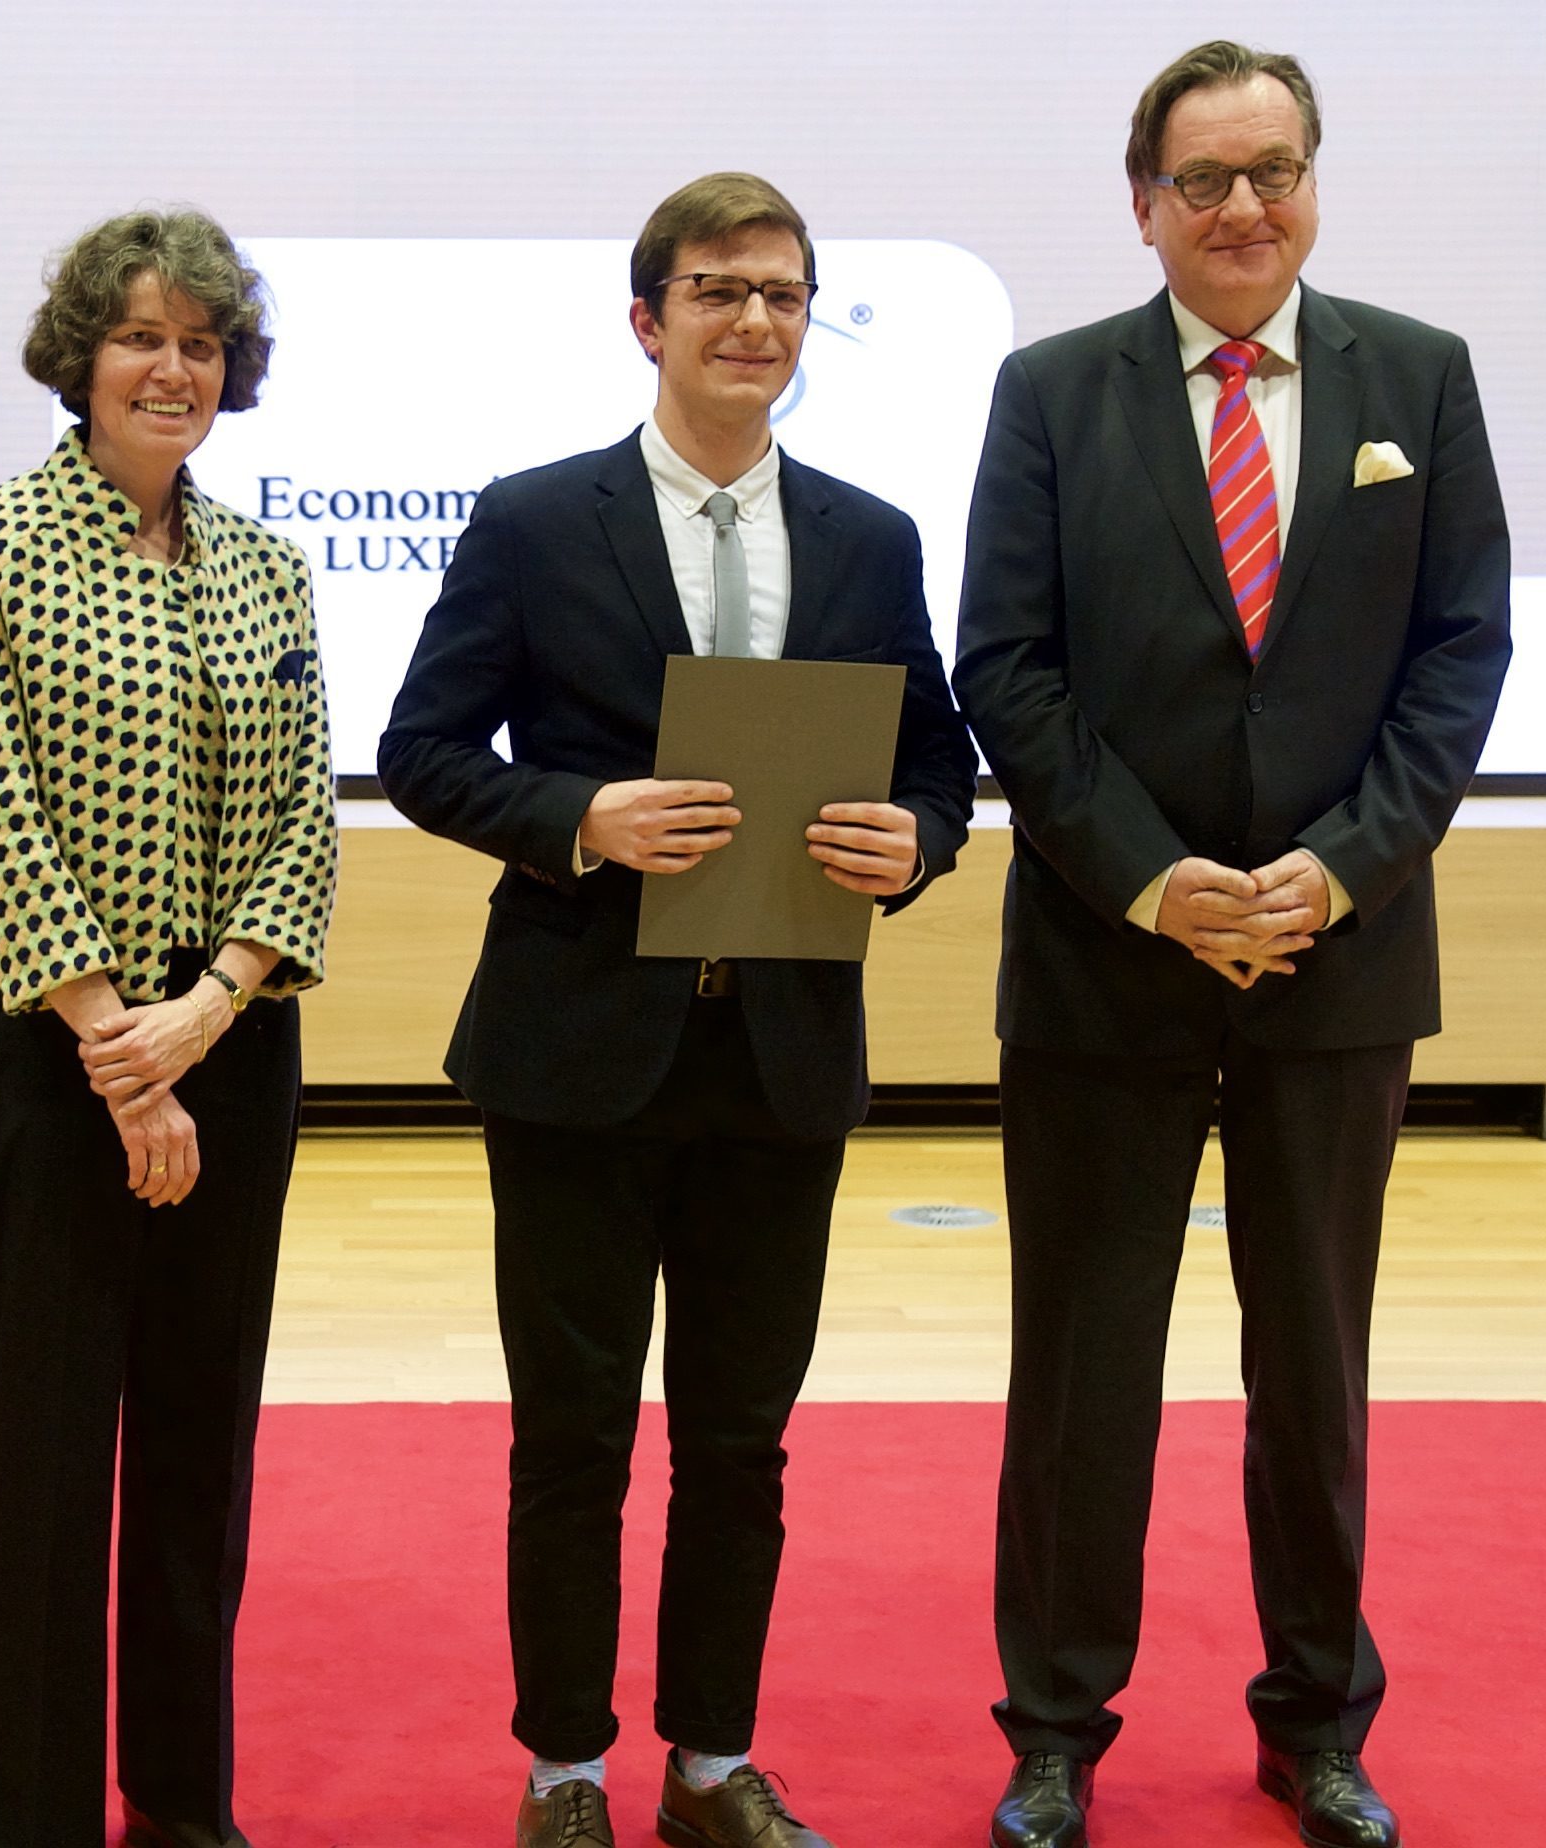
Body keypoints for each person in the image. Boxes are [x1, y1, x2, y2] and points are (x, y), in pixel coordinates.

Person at [955, 41, 1512, 1848]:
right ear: (1146, 207)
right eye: (1204, 180)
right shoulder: (1052, 392)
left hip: (1338, 963)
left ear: (1314, 184)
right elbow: (1006, 669)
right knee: (1084, 1368)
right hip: (1107, 959)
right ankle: (1055, 1731)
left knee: (1316, 1368)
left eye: (1274, 170)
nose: (1244, 206)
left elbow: (1460, 656)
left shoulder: (1419, 377)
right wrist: (1151, 878)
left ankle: (1317, 1723)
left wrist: (1336, 873)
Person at [380, 172, 977, 1848]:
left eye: (783, 294)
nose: (753, 321)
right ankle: (564, 1769)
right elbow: (423, 751)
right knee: (572, 1440)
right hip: (577, 1051)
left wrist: (916, 840)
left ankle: (712, 1764)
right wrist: (582, 816)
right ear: (648, 321)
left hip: (779, 1057)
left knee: (741, 1444)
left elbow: (940, 760)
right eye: (718, 290)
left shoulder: (870, 537)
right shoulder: (532, 520)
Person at [0, 206, 337, 1848]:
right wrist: (121, 1050)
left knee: (199, 1441)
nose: (174, 369)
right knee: (45, 1447)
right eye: (142, 338)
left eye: (202, 343)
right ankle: (17, 1817)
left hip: (228, 1043)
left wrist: (206, 1015)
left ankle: (180, 1800)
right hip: (56, 1050)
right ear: (80, 359)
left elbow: (300, 824)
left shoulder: (270, 564)